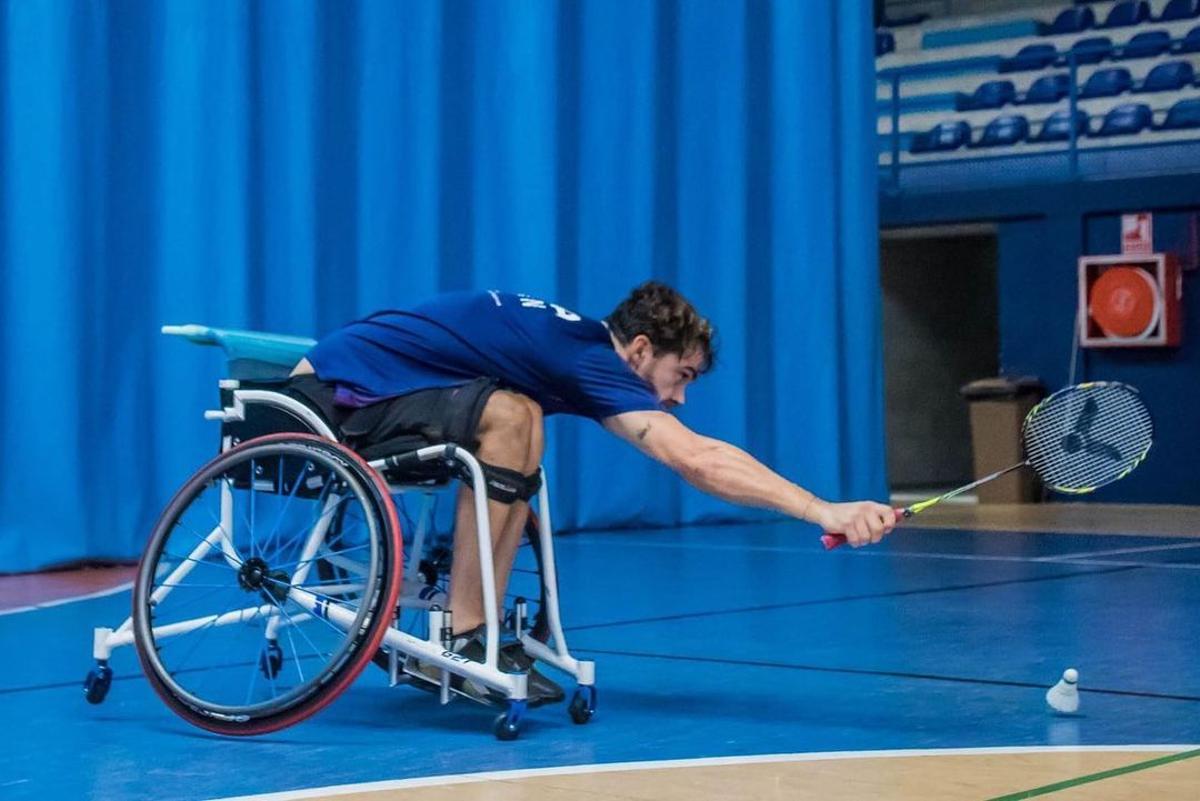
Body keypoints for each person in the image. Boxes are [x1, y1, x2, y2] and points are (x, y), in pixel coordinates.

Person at [287, 281, 895, 704]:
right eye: (678, 377)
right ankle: (465, 631)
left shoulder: (570, 343)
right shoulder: (586, 358)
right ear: (639, 350)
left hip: (371, 385)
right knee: (509, 416)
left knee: (520, 418)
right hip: (335, 397)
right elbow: (697, 459)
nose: (677, 398)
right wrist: (822, 508)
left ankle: (479, 629)